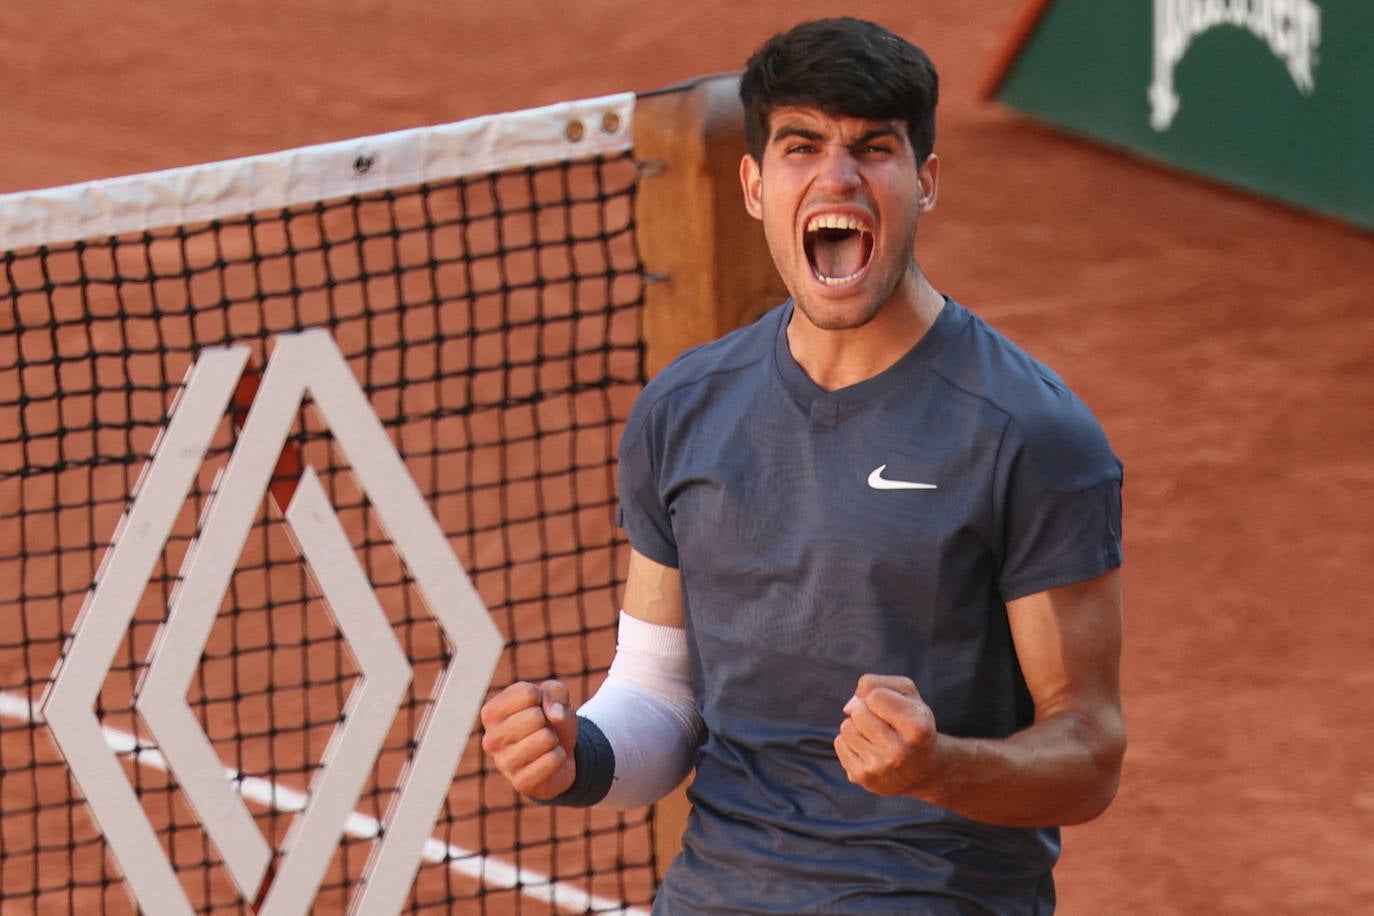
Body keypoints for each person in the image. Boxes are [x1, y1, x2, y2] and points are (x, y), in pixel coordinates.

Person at [480, 16, 1125, 914]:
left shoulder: (1028, 431)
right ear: (753, 184)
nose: (838, 177)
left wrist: (938, 768)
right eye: (801, 147)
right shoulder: (687, 409)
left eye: (874, 149)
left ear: (925, 182)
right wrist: (575, 755)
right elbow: (661, 698)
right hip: (718, 892)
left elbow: (1088, 756)